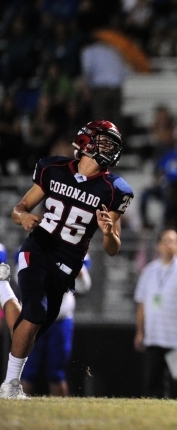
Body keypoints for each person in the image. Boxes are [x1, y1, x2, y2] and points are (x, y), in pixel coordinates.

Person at [0, 120, 134, 399]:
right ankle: (10, 386)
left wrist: (109, 233)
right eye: (105, 141)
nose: (110, 149)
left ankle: (1, 289)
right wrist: (23, 216)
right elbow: (19, 208)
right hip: (38, 248)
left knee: (25, 331)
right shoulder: (53, 169)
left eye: (113, 145)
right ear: (86, 142)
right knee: (34, 313)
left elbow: (113, 249)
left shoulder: (114, 189)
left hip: (68, 263)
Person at [133, 229, 177, 399]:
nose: (168, 245)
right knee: (153, 384)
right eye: (164, 241)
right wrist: (140, 332)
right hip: (154, 336)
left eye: (172, 241)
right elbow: (142, 303)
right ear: (158, 245)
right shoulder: (149, 271)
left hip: (176, 337)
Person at [21, 254, 92, 396]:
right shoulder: (31, 249)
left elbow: (84, 286)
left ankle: (59, 408)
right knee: (28, 370)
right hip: (34, 319)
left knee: (56, 372)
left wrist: (76, 272)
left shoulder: (74, 251)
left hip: (61, 320)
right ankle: (19, 409)